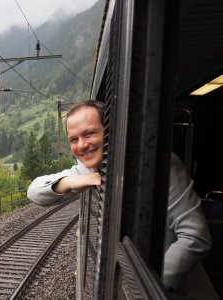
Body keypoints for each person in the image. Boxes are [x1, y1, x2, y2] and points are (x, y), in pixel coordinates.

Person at [27, 100, 215, 298]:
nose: (81, 145)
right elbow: (34, 192)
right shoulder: (88, 170)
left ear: (110, 130)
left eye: (89, 133)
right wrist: (73, 181)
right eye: (74, 139)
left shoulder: (160, 165)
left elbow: (196, 237)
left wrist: (139, 289)